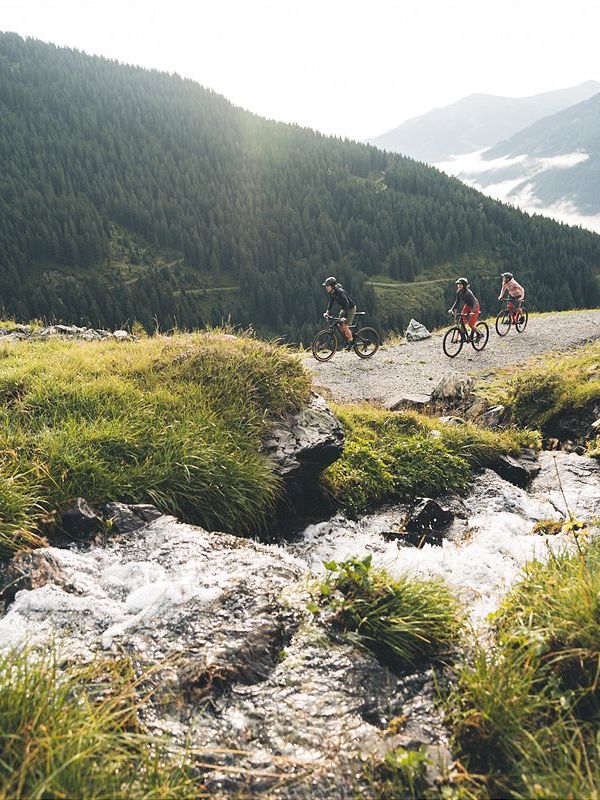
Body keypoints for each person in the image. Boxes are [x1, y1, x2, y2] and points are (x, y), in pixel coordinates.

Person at [322, 276, 357, 350]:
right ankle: (349, 335)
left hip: (350, 308)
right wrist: (327, 312)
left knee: (344, 325)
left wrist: (345, 317)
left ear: (332, 286)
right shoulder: (332, 292)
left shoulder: (340, 292)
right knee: (339, 324)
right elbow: (331, 303)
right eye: (326, 286)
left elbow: (347, 304)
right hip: (344, 308)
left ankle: (351, 342)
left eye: (327, 286)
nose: (326, 287)